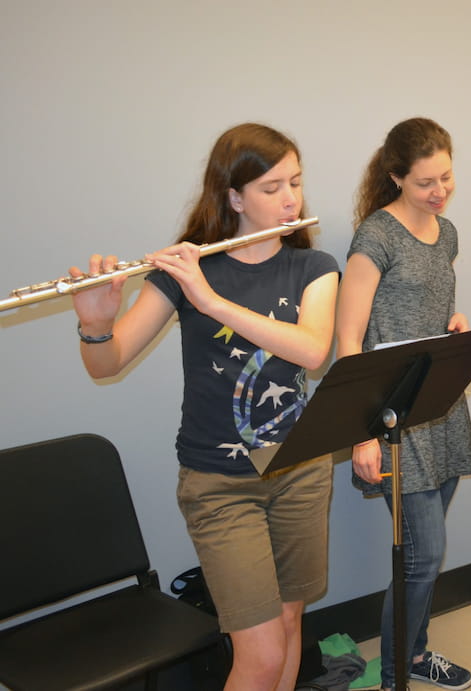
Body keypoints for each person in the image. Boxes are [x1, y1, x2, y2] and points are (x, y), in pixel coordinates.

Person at [70, 123, 339, 691]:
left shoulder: (313, 268)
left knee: (291, 622)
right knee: (260, 655)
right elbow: (107, 363)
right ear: (234, 196)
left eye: (295, 182)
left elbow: (312, 349)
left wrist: (210, 302)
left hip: (300, 468)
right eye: (271, 187)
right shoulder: (186, 272)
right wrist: (94, 325)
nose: (291, 198)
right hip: (219, 484)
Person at [336, 117, 471, 691]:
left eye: (445, 177)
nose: (438, 191)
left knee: (422, 553)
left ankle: (414, 656)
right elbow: (348, 343)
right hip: (392, 416)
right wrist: (361, 433)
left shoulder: (447, 234)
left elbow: (430, 308)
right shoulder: (375, 237)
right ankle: (397, 673)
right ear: (396, 177)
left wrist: (454, 323)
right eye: (424, 183)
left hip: (440, 405)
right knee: (423, 555)